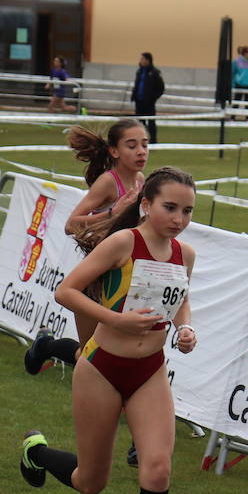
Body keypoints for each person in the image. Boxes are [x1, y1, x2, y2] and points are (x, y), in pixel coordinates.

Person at [18, 167, 199, 494]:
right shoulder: (123, 243)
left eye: (187, 210)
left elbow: (179, 299)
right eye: (169, 207)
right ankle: (35, 452)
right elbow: (66, 291)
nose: (178, 218)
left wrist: (185, 328)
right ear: (146, 205)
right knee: (90, 482)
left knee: (157, 470)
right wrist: (116, 320)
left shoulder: (185, 254)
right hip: (101, 367)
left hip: (151, 371)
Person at [24, 119, 150, 375]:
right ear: (114, 151)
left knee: (106, 351)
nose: (141, 151)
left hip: (126, 273)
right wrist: (114, 211)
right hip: (97, 275)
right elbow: (72, 224)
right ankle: (46, 346)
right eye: (132, 145)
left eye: (145, 145)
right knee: (91, 353)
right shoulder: (107, 182)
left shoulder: (139, 180)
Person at [130, 52, 165, 144]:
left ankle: (153, 141)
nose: (140, 61)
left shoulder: (154, 72)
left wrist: (153, 98)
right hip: (139, 101)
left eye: (142, 59)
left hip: (149, 103)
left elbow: (161, 88)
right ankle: (142, 140)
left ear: (147, 60)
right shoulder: (139, 71)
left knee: (151, 122)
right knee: (140, 122)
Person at [232, 45, 248, 116]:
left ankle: (247, 118)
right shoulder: (236, 61)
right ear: (245, 53)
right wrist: (233, 84)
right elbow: (233, 73)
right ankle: (232, 117)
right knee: (236, 101)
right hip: (239, 84)